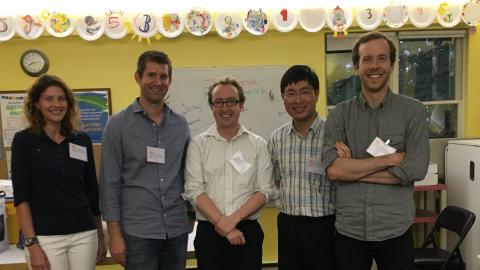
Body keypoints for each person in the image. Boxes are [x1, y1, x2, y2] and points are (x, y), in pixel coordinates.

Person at [322, 31, 430, 270]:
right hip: (349, 230)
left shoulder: (412, 111)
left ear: (392, 65)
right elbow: (334, 171)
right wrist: (391, 159)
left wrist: (353, 169)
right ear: (357, 67)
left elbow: (415, 168)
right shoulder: (339, 114)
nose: (374, 66)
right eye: (367, 59)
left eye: (382, 58)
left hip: (395, 229)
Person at [99, 50, 193, 270]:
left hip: (176, 229)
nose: (158, 82)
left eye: (163, 76)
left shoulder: (181, 125)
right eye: (151, 75)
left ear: (169, 80)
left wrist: (191, 215)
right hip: (137, 232)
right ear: (138, 77)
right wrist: (114, 234)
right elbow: (109, 182)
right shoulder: (117, 124)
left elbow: (187, 175)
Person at [11, 74, 106, 270]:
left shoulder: (82, 140)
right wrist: (32, 243)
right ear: (37, 104)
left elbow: (91, 191)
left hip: (84, 233)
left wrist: (100, 235)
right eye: (49, 99)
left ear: (69, 103)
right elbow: (21, 197)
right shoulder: (24, 141)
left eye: (61, 98)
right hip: (45, 237)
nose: (56, 104)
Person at [183, 77, 273, 270]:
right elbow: (194, 190)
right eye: (219, 102)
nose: (225, 108)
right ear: (211, 106)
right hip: (209, 233)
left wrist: (232, 221)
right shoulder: (198, 144)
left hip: (248, 231)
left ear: (241, 105)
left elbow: (264, 190)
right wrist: (225, 225)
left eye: (232, 101)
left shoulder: (258, 144)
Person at [268, 65, 335, 270]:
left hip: (325, 225)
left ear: (316, 93)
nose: (298, 100)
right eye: (291, 93)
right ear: (283, 97)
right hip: (288, 225)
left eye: (304, 92)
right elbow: (276, 179)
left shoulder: (333, 133)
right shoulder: (277, 137)